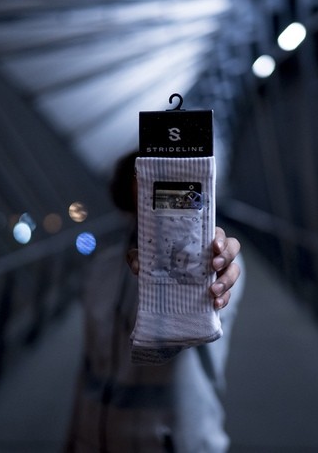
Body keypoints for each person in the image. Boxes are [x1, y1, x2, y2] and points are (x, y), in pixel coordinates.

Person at [64, 151, 244, 452]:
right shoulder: (102, 269)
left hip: (176, 443)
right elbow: (89, 367)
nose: (159, 187)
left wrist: (211, 266)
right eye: (144, 175)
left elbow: (219, 292)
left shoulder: (205, 264)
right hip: (92, 441)